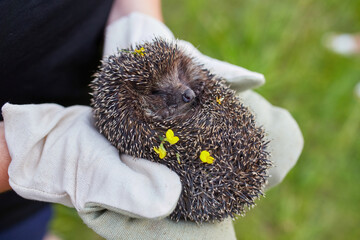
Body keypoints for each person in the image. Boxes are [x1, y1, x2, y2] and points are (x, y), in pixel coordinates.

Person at [0, 0, 303, 239]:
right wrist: (35, 153)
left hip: (24, 199)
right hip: (9, 184)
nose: (184, 92)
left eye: (180, 76)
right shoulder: (127, 118)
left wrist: (135, 16)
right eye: (159, 91)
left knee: (29, 224)